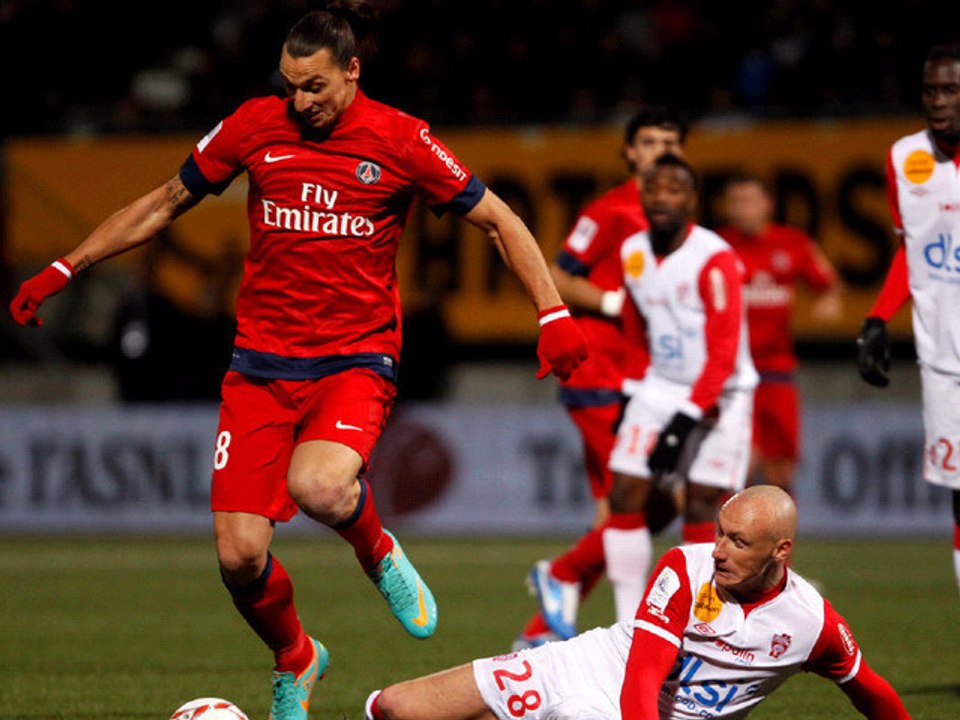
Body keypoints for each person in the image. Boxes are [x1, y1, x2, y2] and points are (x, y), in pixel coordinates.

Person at [7, 4, 587, 720]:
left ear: (352, 71)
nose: (300, 101)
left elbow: (500, 219)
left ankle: (376, 550)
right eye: (289, 85)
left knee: (319, 487)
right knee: (238, 557)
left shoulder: (403, 140)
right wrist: (70, 264)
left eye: (313, 86)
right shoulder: (256, 124)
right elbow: (164, 202)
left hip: (354, 357)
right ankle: (297, 657)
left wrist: (552, 312)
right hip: (259, 365)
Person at [363, 485, 910, 720]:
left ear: (781, 550)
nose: (718, 551)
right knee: (397, 708)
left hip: (617, 712)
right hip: (586, 668)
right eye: (719, 533)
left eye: (737, 543)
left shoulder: (812, 622)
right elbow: (642, 677)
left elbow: (873, 692)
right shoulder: (684, 567)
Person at [532, 154, 758, 639]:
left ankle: (702, 623)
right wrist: (632, 394)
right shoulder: (633, 251)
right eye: (653, 189)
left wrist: (683, 422)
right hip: (659, 385)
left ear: (691, 200)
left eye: (674, 189)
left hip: (723, 393)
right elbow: (636, 333)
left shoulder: (715, 258)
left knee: (702, 504)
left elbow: (723, 354)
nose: (661, 198)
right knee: (625, 491)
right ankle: (631, 624)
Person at [519, 106, 689, 650]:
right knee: (642, 502)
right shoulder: (611, 211)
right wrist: (613, 300)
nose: (660, 150)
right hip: (601, 375)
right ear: (629, 152)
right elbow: (559, 273)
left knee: (625, 509)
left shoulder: (671, 219)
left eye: (670, 141)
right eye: (649, 141)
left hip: (641, 379)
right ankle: (563, 578)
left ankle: (541, 633)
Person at [857, 43, 960, 601]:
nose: (938, 102)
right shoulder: (904, 157)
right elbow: (911, 250)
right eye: (930, 91)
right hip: (944, 360)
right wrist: (877, 317)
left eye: (951, 91)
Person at [715, 172, 842, 494]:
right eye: (735, 202)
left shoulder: (792, 243)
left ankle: (780, 539)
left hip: (777, 369)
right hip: (732, 372)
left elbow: (829, 284)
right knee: (739, 464)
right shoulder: (716, 245)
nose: (741, 209)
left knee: (781, 469)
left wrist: (828, 301)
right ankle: (736, 538)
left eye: (748, 201)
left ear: (767, 204)